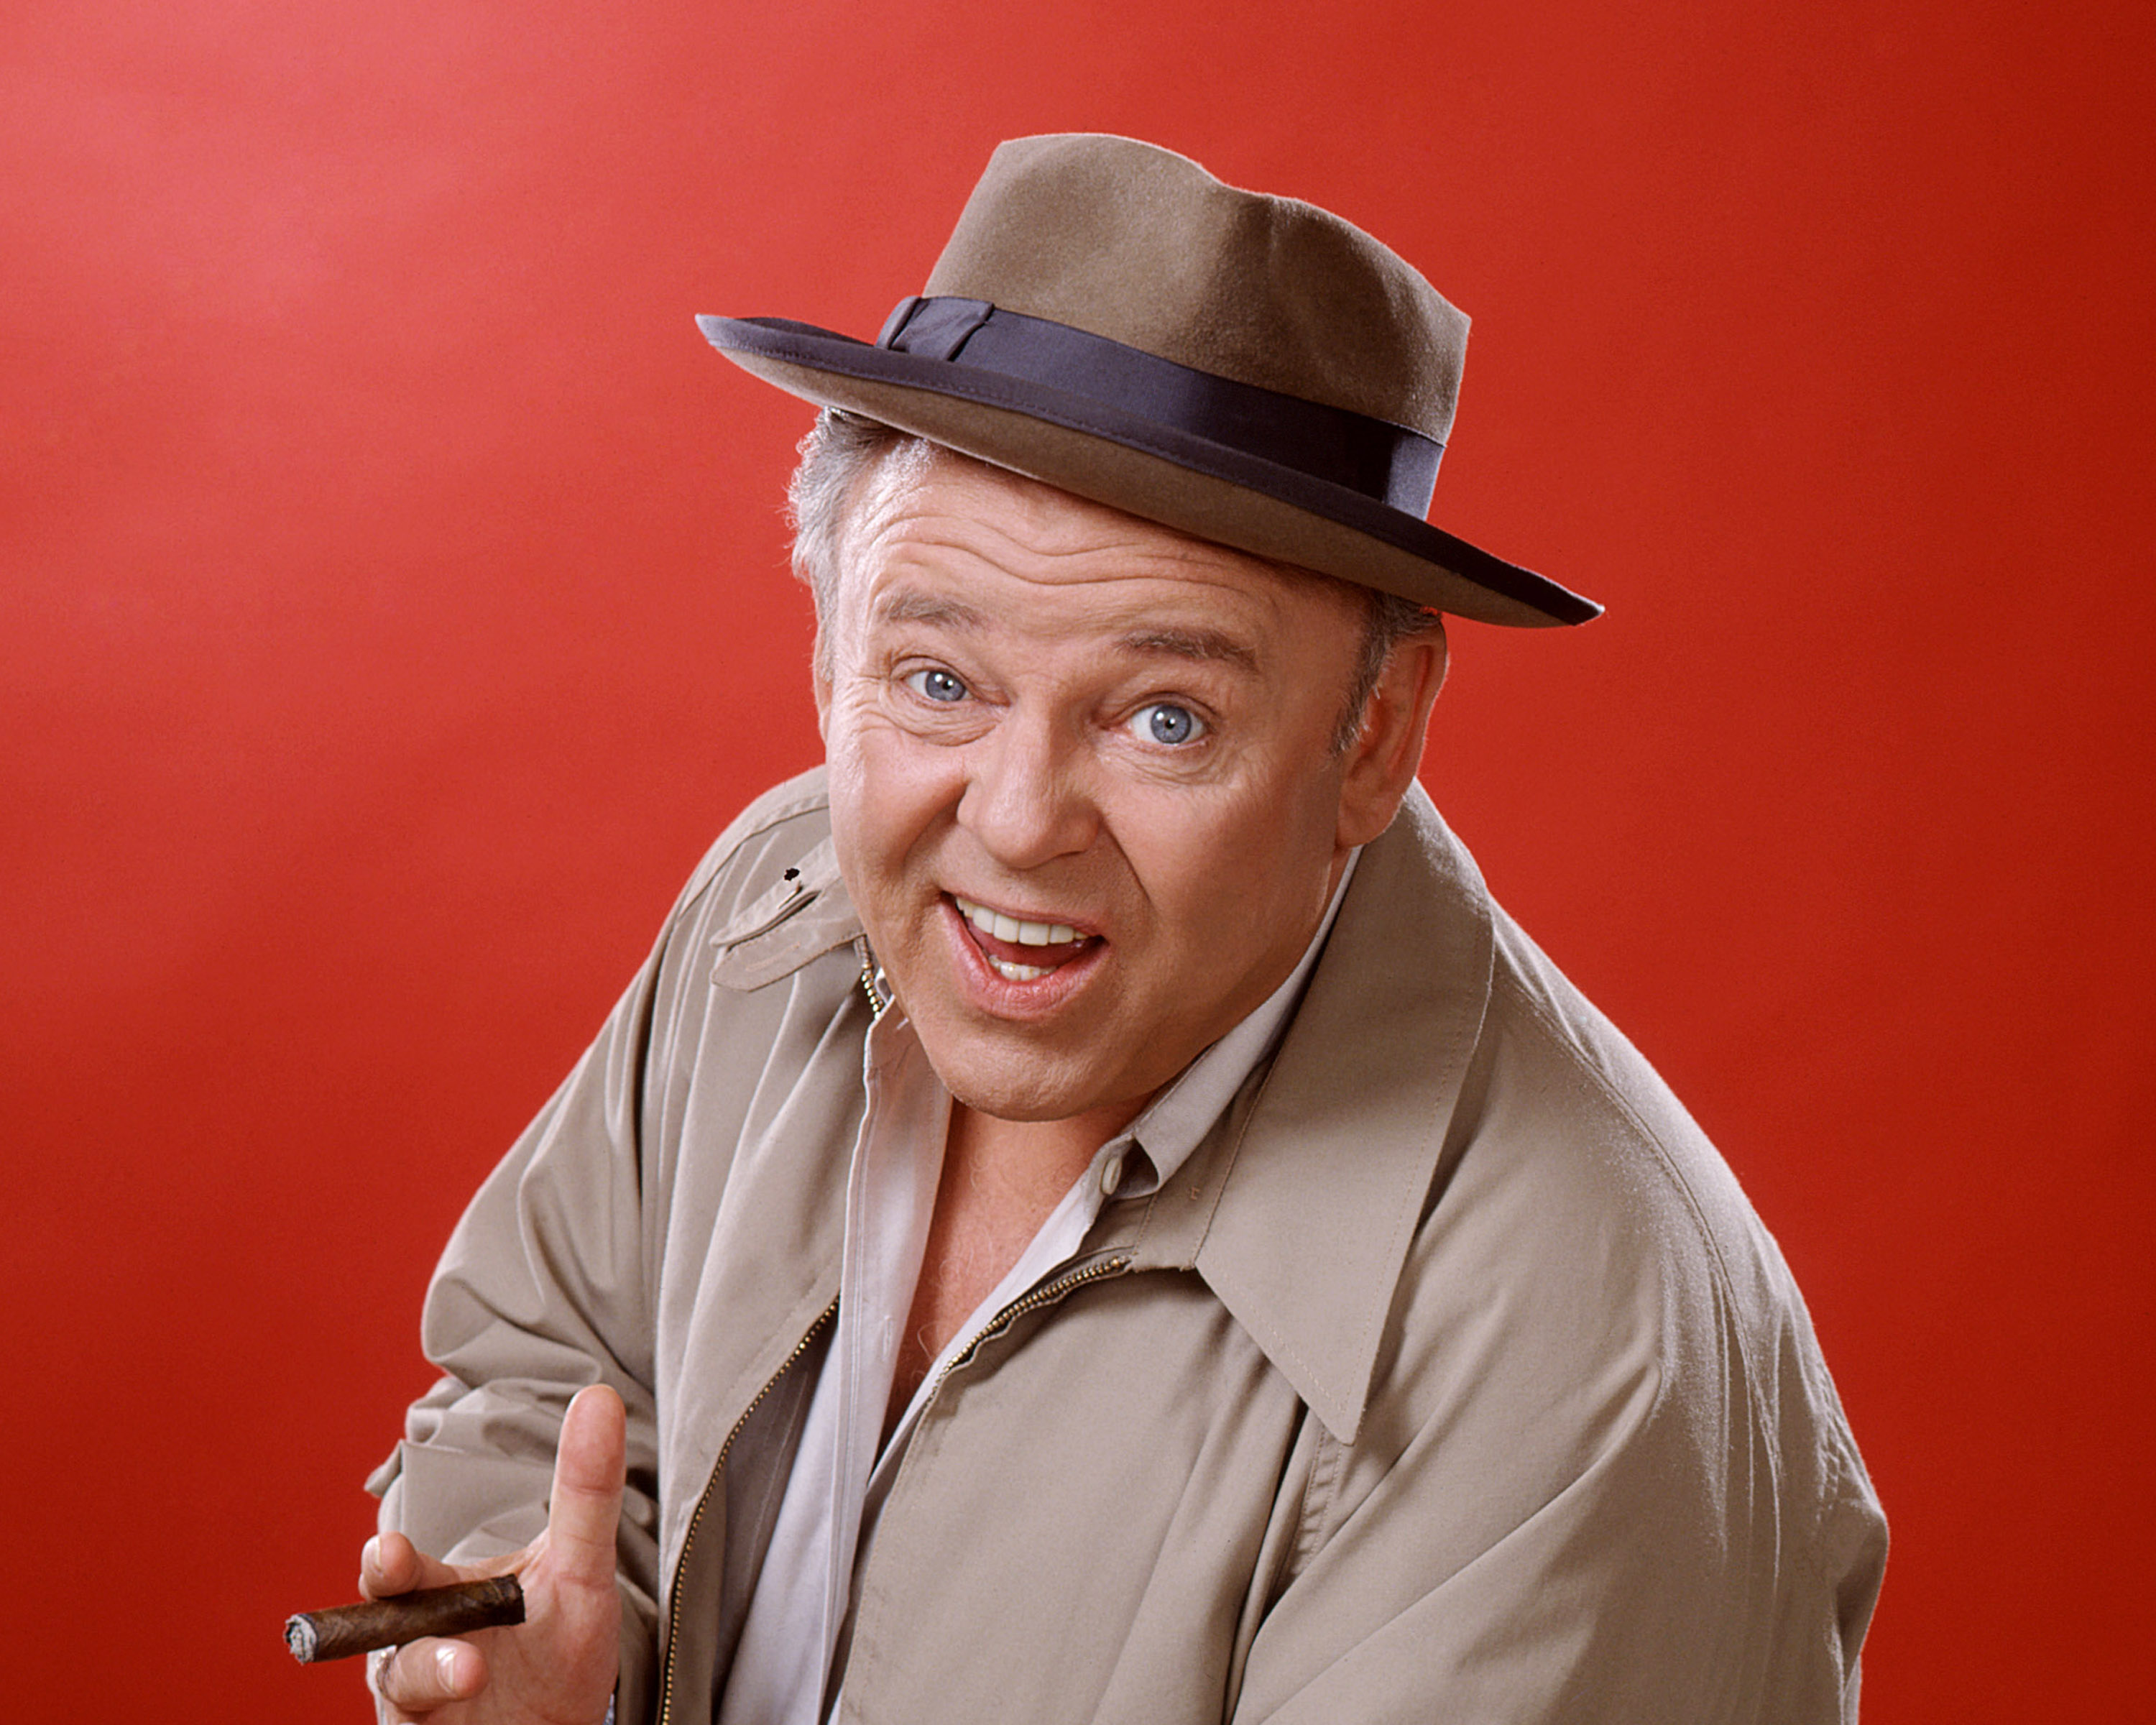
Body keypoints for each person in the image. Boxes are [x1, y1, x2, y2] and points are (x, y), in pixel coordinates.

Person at [359, 134, 1886, 1724]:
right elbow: (543, 1379)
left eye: (1165, 717)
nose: (1017, 821)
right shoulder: (776, 903)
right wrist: (546, 1656)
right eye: (938, 682)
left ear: (1373, 737)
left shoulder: (1581, 1333)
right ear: (830, 655)